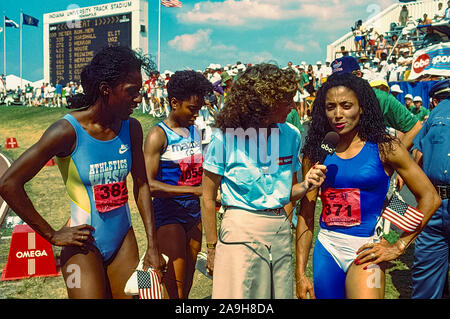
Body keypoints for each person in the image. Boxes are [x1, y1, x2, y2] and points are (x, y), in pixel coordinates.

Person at [0, 46, 165, 299]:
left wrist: (153, 246)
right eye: (132, 91)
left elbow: (142, 185)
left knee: (141, 296)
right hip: (81, 245)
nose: (138, 99)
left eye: (140, 91)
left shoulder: (132, 128)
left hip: (124, 239)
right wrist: (51, 234)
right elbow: (9, 183)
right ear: (105, 89)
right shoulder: (66, 131)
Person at [295, 72, 441, 299]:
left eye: (346, 105)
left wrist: (399, 244)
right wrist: (300, 273)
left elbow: (430, 198)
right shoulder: (318, 150)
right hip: (327, 248)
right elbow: (306, 212)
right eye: (330, 106)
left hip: (367, 248)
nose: (337, 114)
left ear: (361, 107)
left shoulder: (385, 147)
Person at [201, 63, 327, 299]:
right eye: (286, 99)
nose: (292, 105)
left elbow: (288, 192)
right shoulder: (224, 137)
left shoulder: (291, 134)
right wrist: (211, 247)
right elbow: (207, 197)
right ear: (265, 101)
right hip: (239, 231)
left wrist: (307, 183)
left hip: (279, 232)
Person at [143, 70, 213, 299]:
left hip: (194, 215)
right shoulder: (157, 135)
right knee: (175, 289)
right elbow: (149, 186)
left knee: (188, 286)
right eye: (192, 109)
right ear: (174, 103)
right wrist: (195, 190)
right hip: (169, 215)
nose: (196, 113)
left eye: (199, 108)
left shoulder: (195, 131)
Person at [330, 56, 422, 151]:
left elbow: (415, 127)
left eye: (344, 79)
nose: (338, 85)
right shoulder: (328, 101)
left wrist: (392, 157)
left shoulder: (380, 98)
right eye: (334, 81)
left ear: (358, 75)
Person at [411, 79, 450, 299]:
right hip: (433, 207)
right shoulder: (433, 117)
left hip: (431, 203)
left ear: (433, 101)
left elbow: (417, 156)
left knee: (426, 283)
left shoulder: (433, 116)